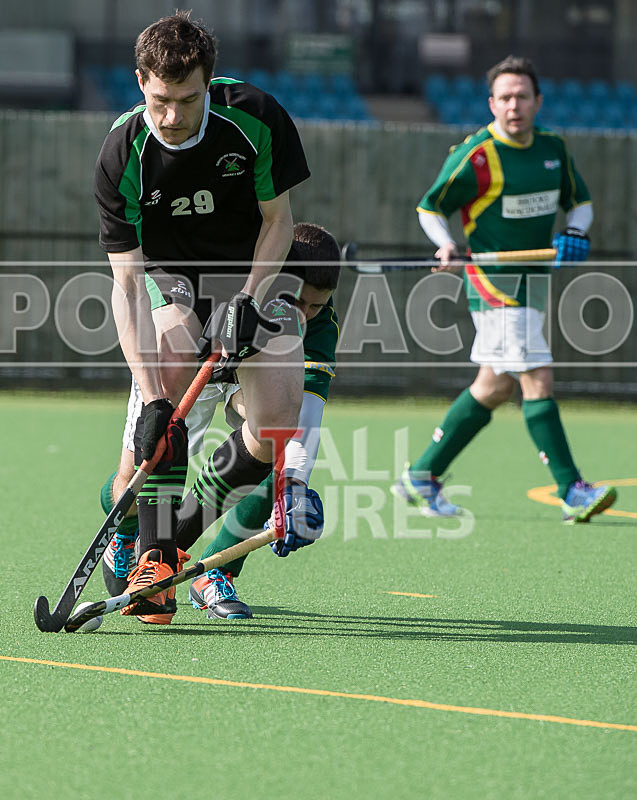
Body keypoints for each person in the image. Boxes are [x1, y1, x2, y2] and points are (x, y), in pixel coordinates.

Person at [94, 11, 311, 625]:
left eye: (187, 100)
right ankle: (144, 544)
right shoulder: (122, 151)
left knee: (275, 422)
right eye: (160, 99)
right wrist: (149, 393)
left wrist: (248, 297)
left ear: (208, 85)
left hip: (251, 275)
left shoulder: (255, 117)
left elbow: (279, 222)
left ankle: (169, 543)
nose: (171, 115)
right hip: (169, 284)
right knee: (158, 412)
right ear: (140, 82)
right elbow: (128, 281)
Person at [393, 55, 616, 524]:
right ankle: (570, 488)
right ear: (492, 103)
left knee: (493, 386)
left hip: (535, 282)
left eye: (522, 96)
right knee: (538, 376)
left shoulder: (553, 148)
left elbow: (581, 202)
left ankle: (420, 475)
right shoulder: (477, 154)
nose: (514, 105)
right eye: (505, 97)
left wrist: (576, 233)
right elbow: (430, 207)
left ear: (538, 102)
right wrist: (447, 245)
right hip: (495, 283)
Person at [100, 223, 340, 619]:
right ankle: (125, 533)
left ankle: (202, 569)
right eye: (298, 301)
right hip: (191, 345)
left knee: (274, 448)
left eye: (316, 306)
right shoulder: (230, 269)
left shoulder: (317, 324)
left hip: (249, 364)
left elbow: (305, 414)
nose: (305, 315)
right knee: (135, 476)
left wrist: (294, 485)